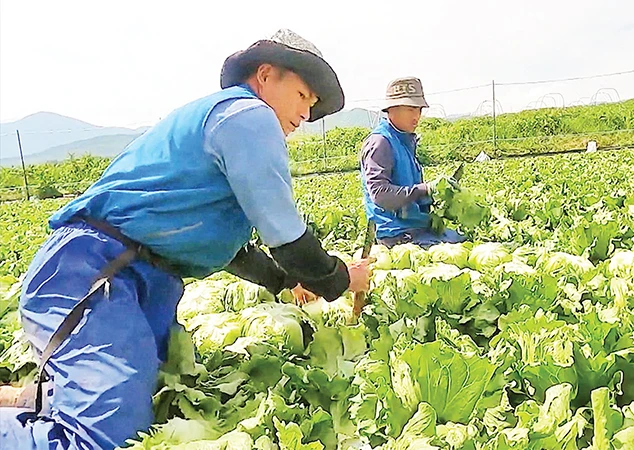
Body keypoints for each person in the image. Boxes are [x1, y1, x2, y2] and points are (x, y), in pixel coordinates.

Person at [0, 29, 371, 450]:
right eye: (304, 95)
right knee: (101, 438)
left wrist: (285, 281)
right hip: (94, 270)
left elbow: (233, 250)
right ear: (265, 75)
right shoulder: (247, 116)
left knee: (150, 405)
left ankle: (26, 406)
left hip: (139, 278)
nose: (306, 113)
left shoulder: (228, 127)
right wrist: (339, 278)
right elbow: (286, 236)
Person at [359, 77, 467, 248]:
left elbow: (409, 192)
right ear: (392, 109)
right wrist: (425, 189)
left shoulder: (403, 140)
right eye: (411, 109)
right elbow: (380, 195)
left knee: (466, 241)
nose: (417, 116)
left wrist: (438, 195)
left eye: (419, 110)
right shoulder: (381, 142)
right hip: (397, 235)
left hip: (417, 226)